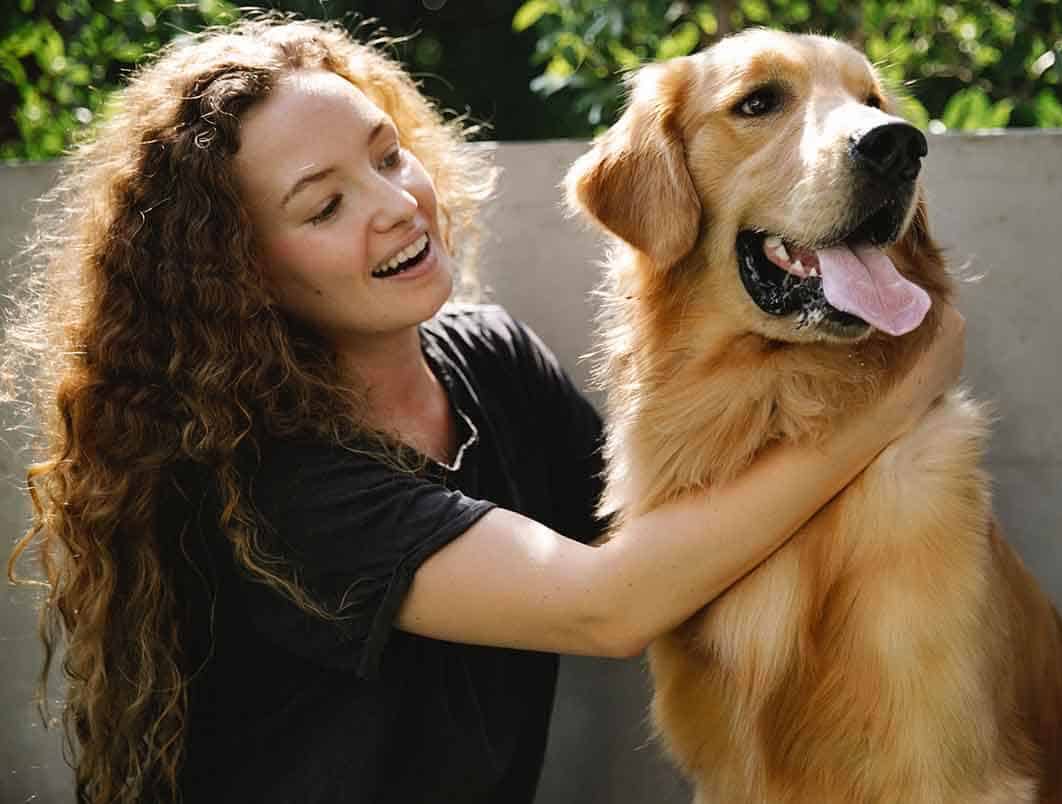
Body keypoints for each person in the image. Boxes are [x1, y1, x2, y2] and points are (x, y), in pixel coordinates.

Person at [1, 16, 966, 804]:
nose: (394, 205)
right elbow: (612, 604)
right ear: (237, 275)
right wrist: (900, 394)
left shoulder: (490, 358)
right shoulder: (270, 484)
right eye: (323, 205)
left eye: (387, 156)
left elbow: (680, 540)